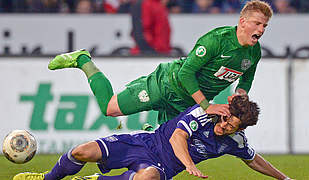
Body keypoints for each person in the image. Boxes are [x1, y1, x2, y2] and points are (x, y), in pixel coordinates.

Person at [47, 0, 273, 126]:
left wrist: (241, 94)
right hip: (166, 84)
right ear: (242, 22)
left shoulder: (254, 52)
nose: (261, 30)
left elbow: (247, 76)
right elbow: (186, 74)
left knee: (169, 148)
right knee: (110, 109)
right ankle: (83, 60)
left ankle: (147, 134)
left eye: (264, 26)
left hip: (187, 102)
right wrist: (207, 106)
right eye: (257, 24)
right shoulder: (216, 40)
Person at [13, 95, 293, 180]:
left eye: (233, 124)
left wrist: (285, 179)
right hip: (144, 143)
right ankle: (46, 179)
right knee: (81, 151)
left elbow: (253, 159)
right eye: (227, 117)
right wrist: (191, 165)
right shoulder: (205, 112)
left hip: (163, 167)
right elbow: (178, 138)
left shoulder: (235, 142)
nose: (225, 124)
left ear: (240, 128)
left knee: (148, 178)